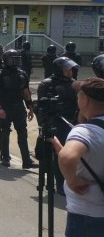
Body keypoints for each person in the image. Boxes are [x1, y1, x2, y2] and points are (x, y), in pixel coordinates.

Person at [51, 77, 104, 235]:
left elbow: (67, 158)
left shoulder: (85, 131)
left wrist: (72, 180)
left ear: (85, 100)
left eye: (78, 95)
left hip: (87, 216)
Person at [37, 57, 79, 195]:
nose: (69, 71)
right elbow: (41, 108)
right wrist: (44, 125)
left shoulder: (74, 84)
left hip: (71, 124)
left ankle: (66, 181)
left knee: (69, 155)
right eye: (66, 69)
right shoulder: (47, 84)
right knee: (55, 155)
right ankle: (58, 183)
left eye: (70, 68)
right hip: (54, 124)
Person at [0, 49, 38, 169]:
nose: (14, 62)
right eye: (12, 59)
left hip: (19, 107)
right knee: (4, 132)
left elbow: (26, 92)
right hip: (5, 107)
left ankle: (26, 160)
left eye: (16, 59)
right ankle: (5, 158)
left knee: (23, 133)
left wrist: (30, 107)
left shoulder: (22, 74)